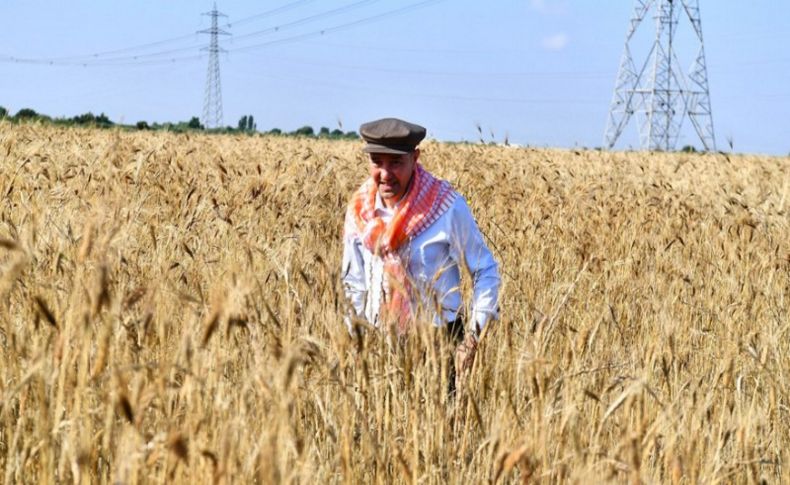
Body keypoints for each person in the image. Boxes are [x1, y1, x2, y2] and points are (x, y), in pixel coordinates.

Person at [341, 117, 501, 392]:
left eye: (396, 163)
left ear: (415, 157)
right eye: (377, 162)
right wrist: (356, 339)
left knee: (438, 432)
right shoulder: (358, 212)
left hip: (439, 344)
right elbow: (353, 282)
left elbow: (486, 271)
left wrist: (472, 338)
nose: (385, 174)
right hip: (378, 345)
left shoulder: (446, 207)